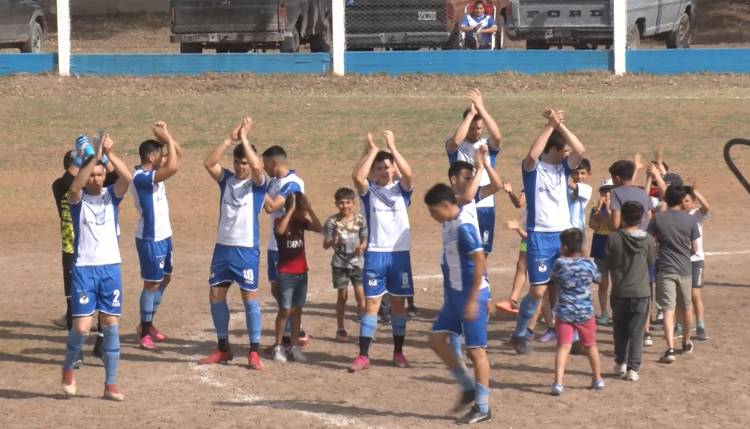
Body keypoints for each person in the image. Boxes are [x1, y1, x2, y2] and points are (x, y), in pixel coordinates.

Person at [60, 133, 133, 401]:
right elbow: (75, 186)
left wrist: (109, 153)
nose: (96, 178)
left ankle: (110, 383)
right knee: (81, 328)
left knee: (111, 325)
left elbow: (127, 178)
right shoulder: (77, 200)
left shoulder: (111, 197)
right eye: (93, 174)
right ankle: (68, 368)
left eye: (100, 175)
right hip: (84, 270)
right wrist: (93, 157)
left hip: (110, 269)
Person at [509, 108, 586, 355]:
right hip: (540, 236)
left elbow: (580, 150)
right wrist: (549, 127)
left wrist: (561, 125)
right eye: (563, 150)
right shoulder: (532, 169)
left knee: (567, 286)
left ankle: (572, 338)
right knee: (538, 290)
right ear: (553, 149)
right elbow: (532, 153)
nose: (568, 154)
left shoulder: (564, 168)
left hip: (563, 235)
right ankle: (520, 333)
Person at [199, 117, 268, 370]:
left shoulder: (259, 185)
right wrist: (230, 139)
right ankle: (223, 348)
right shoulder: (226, 180)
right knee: (216, 295)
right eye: (238, 162)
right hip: (223, 248)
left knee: (249, 298)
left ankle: (253, 352)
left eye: (245, 162)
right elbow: (209, 162)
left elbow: (258, 168)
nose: (242, 167)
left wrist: (246, 138)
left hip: (246, 250)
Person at [425, 183, 492, 424]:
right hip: (454, 296)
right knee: (435, 340)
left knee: (476, 351)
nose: (432, 216)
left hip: (471, 295)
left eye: (433, 211)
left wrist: (474, 299)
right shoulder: (448, 222)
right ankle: (467, 386)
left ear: (445, 206)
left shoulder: (464, 227)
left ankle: (483, 407)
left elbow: (480, 261)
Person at [350, 130, 415, 372]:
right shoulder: (369, 193)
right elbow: (357, 176)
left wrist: (392, 147)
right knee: (372, 305)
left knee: (399, 305)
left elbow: (408, 173)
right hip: (376, 253)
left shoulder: (402, 190)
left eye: (388, 167)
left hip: (399, 254)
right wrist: (373, 150)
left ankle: (398, 352)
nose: (384, 171)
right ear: (373, 172)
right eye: (379, 168)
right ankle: (363, 355)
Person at [52, 146, 118, 364]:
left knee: (103, 305)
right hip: (72, 250)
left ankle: (100, 342)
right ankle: (77, 351)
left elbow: (116, 175)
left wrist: (104, 155)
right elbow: (68, 180)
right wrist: (83, 157)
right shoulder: (61, 186)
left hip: (99, 252)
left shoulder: (97, 186)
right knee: (73, 303)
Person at [130, 122, 183, 350]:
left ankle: (149, 322)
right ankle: (144, 330)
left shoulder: (152, 173)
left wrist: (166, 136)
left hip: (164, 236)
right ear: (152, 157)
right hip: (150, 239)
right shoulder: (141, 177)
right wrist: (166, 140)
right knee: (151, 284)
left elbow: (177, 155)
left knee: (166, 278)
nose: (164, 158)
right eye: (160, 155)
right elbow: (173, 167)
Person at [446, 89, 503, 256]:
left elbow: (498, 137)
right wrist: (471, 113)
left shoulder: (487, 145)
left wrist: (481, 108)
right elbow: (456, 140)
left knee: (482, 252)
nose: (475, 132)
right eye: (471, 128)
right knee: (462, 251)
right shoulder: (455, 146)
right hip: (462, 203)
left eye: (478, 128)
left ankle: (480, 282)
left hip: (485, 203)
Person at [262, 144, 308, 348]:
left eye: (265, 165)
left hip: (288, 248)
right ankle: (293, 331)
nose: (264, 169)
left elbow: (272, 206)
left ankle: (293, 335)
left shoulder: (293, 183)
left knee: (285, 295)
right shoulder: (274, 182)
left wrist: (256, 187)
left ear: (274, 163)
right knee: (276, 290)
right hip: (274, 246)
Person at [649, 185, 700, 363]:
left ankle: (669, 348)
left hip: (665, 268)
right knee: (686, 307)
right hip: (685, 269)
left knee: (668, 309)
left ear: (666, 199)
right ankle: (686, 342)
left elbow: (648, 240)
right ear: (681, 200)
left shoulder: (658, 219)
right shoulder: (691, 220)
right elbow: (695, 248)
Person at [549, 228, 604, 395]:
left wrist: (553, 305)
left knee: (563, 346)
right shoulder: (589, 264)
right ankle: (597, 378)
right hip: (585, 312)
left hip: (565, 311)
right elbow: (599, 279)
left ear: (564, 247)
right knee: (590, 346)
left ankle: (558, 383)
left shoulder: (559, 263)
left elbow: (553, 282)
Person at [607, 201, 656, 382]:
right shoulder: (648, 239)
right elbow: (651, 262)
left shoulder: (613, 238)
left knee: (619, 329)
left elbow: (609, 261)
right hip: (641, 292)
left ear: (623, 217)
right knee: (637, 331)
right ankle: (633, 368)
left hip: (619, 291)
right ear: (642, 217)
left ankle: (620, 362)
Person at [271, 192, 322, 363]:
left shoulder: (302, 223)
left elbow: (319, 227)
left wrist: (310, 209)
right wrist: (291, 210)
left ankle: (293, 347)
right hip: (286, 274)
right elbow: (279, 231)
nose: (304, 214)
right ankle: (278, 348)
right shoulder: (280, 221)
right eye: (302, 210)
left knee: (297, 311)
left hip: (301, 272)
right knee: (285, 310)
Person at [323, 187, 368, 343]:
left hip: (357, 263)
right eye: (341, 203)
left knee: (360, 296)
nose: (345, 206)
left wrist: (361, 247)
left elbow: (365, 238)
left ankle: (365, 330)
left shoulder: (360, 220)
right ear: (336, 204)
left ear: (353, 203)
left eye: (348, 202)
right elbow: (325, 244)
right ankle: (340, 329)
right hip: (340, 264)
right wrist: (333, 241)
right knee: (342, 296)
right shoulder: (332, 222)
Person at [682, 184, 710, 341]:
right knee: (682, 296)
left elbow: (706, 206)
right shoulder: (678, 214)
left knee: (695, 294)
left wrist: (696, 192)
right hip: (681, 260)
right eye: (682, 201)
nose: (684, 203)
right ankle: (681, 325)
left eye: (687, 200)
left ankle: (700, 326)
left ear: (692, 202)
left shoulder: (696, 215)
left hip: (696, 260)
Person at [589, 178, 614, 325]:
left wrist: (610, 209)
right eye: (604, 191)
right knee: (603, 282)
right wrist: (599, 210)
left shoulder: (618, 209)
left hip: (614, 245)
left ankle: (617, 313)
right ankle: (604, 313)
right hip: (600, 243)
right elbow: (593, 225)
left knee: (618, 281)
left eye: (609, 191)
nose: (606, 194)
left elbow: (614, 225)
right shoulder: (595, 209)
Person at [568, 158, 593, 236]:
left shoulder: (587, 188)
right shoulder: (564, 188)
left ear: (588, 174)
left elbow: (573, 187)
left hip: (577, 228)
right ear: (571, 173)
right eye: (576, 173)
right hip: (562, 226)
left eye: (583, 173)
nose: (579, 176)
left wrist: (560, 175)